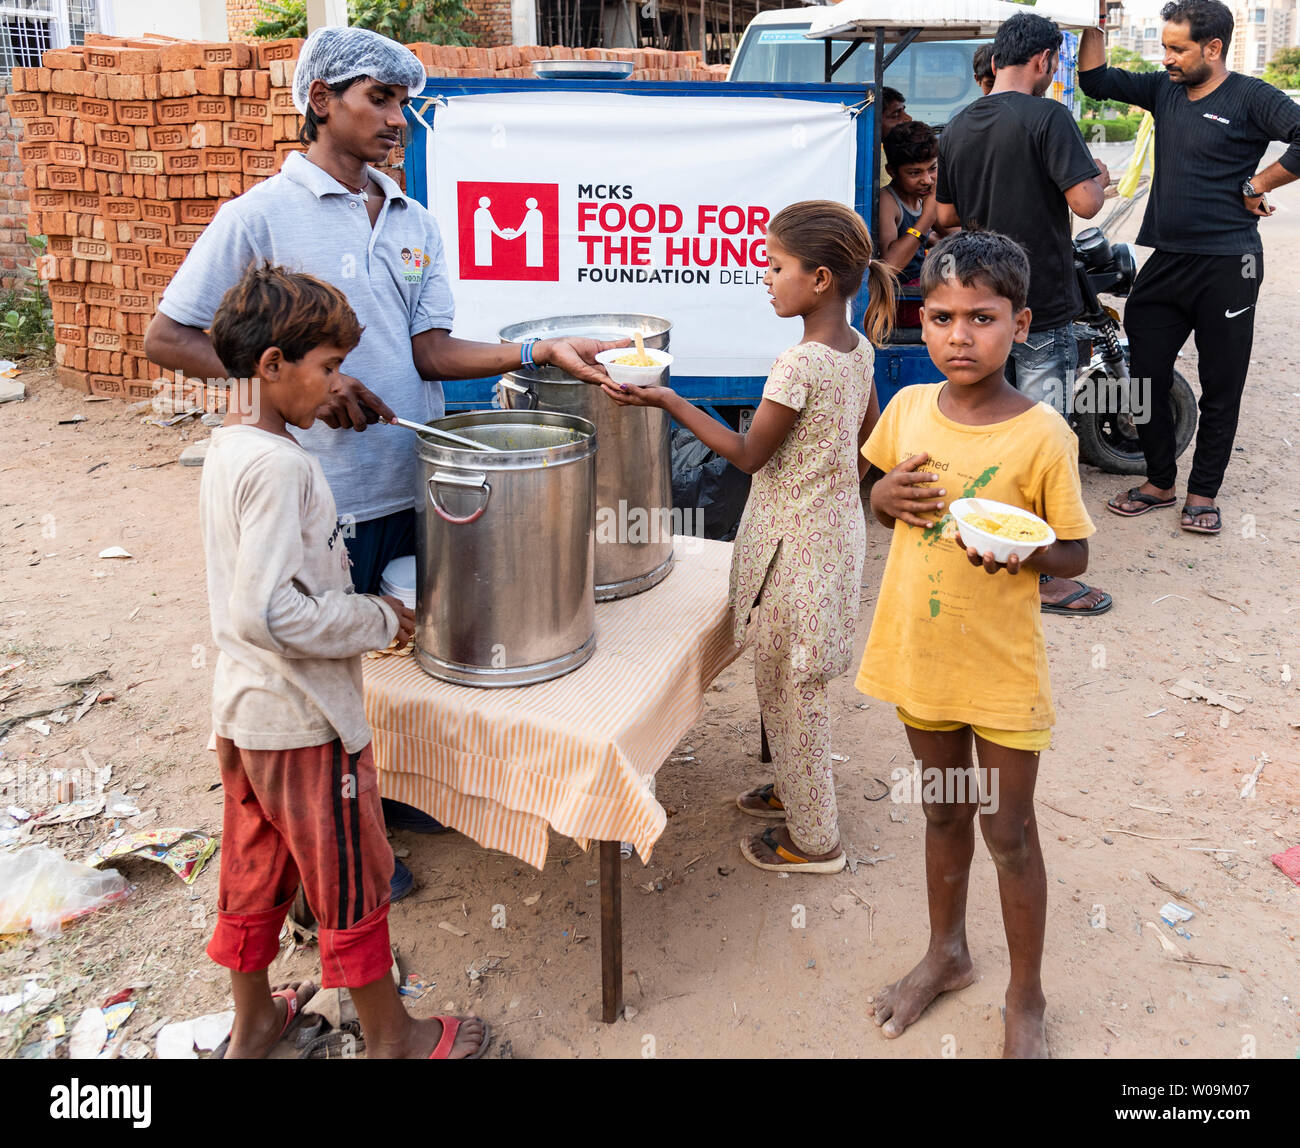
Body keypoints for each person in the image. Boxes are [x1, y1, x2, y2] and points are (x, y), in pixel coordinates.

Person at [145, 26, 624, 899]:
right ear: (321, 100)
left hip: (414, 478)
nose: (398, 118)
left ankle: (388, 802)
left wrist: (540, 351)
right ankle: (326, 859)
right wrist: (298, 382)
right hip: (317, 493)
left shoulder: (414, 221)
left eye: (405, 102)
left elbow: (431, 352)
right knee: (315, 661)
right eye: (379, 98)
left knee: (399, 643)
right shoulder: (256, 216)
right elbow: (166, 336)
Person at [201, 263, 489, 1059]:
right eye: (327, 367)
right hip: (304, 719)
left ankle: (255, 1022)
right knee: (352, 879)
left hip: (245, 713)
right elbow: (270, 611)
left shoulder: (230, 447)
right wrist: (376, 616)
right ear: (272, 366)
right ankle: (395, 1036)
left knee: (256, 872)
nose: (337, 385)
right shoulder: (281, 467)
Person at [602, 201, 897, 874]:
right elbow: (869, 441)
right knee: (790, 679)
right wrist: (830, 484)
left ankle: (815, 840)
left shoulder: (799, 365)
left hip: (793, 555)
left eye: (775, 266)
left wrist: (668, 400)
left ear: (820, 279)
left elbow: (746, 454)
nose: (764, 277)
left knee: (795, 690)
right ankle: (795, 787)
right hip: (833, 541)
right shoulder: (858, 353)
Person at [857, 231, 1095, 1058]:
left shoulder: (1041, 437)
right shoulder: (907, 409)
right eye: (941, 317)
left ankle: (1025, 996)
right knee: (944, 807)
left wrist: (1027, 550)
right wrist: (881, 493)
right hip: (920, 652)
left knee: (1008, 831)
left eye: (982, 318)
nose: (959, 336)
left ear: (1021, 324)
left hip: (1001, 669)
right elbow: (879, 497)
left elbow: (1074, 553)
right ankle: (947, 953)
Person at [1082, 0, 1300, 535]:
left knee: (1221, 382)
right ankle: (1160, 481)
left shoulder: (1251, 96)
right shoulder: (1164, 90)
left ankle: (1202, 492)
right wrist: (1091, 17)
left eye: (1177, 49)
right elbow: (1095, 80)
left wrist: (1259, 184)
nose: (1167, 58)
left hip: (1229, 263)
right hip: (1168, 259)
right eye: (1164, 47)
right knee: (1143, 373)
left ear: (1213, 48)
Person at [937, 11, 1112, 617]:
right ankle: (1044, 575)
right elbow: (1086, 203)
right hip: (1040, 304)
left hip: (985, 304)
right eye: (1056, 62)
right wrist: (1100, 179)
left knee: (992, 428)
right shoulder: (1048, 116)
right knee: (1044, 433)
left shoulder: (959, 123)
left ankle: (987, 545)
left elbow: (943, 217)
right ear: (1042, 60)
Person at [879, 121, 950, 326]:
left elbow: (953, 233)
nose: (927, 180)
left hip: (919, 295)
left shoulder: (922, 197)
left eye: (932, 169)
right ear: (892, 171)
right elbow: (889, 267)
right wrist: (927, 218)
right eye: (914, 173)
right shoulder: (888, 201)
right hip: (900, 302)